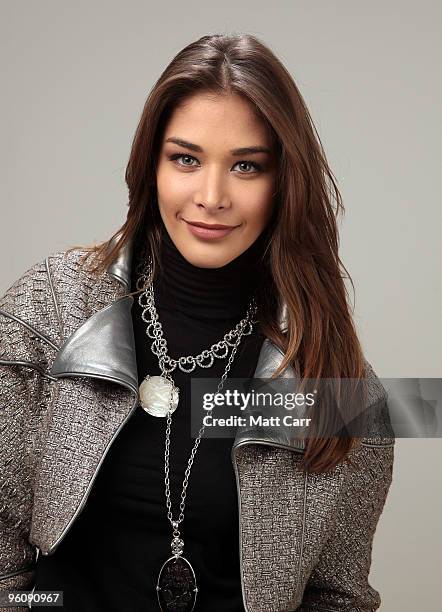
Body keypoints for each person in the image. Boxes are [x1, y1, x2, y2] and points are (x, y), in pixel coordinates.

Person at [0, 33, 395, 612]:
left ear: (285, 181)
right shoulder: (51, 307)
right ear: (150, 165)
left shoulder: (339, 385)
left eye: (246, 166)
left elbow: (338, 598)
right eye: (185, 158)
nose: (211, 196)